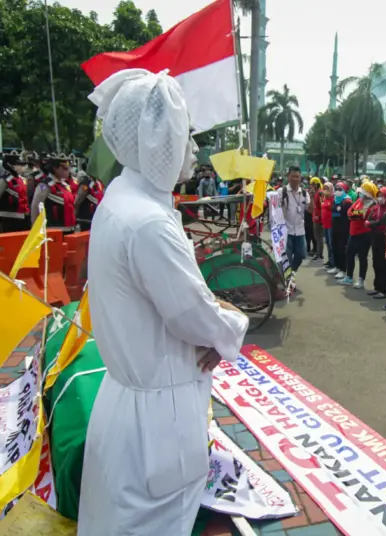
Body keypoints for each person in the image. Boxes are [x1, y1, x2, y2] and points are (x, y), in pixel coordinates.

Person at [80, 69, 249, 536]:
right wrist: (230, 325)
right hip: (157, 423)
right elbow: (195, 317)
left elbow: (185, 304)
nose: (193, 149)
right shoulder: (147, 222)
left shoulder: (123, 199)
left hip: (133, 407)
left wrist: (212, 324)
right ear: (158, 141)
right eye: (186, 135)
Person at [340, 180, 379, 288]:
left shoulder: (372, 205)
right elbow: (350, 212)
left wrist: (354, 214)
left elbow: (360, 215)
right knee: (349, 254)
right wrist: (353, 214)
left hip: (364, 234)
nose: (360, 194)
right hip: (353, 232)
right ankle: (349, 277)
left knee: (362, 257)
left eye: (363, 192)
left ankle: (361, 280)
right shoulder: (359, 201)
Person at [30, 157, 77, 233]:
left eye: (68, 168)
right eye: (65, 168)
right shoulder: (45, 185)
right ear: (55, 168)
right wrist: (35, 230)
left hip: (70, 229)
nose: (68, 171)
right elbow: (35, 207)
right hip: (53, 231)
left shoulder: (65, 185)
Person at [366, 186, 386, 299]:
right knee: (375, 263)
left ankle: (383, 290)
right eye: (378, 196)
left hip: (384, 238)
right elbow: (368, 219)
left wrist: (371, 223)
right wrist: (371, 223)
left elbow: (381, 222)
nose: (380, 198)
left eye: (382, 196)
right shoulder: (376, 208)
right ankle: (377, 287)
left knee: (383, 265)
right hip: (375, 236)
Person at [281, 166, 310, 272]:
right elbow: (276, 209)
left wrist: (314, 198)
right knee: (286, 257)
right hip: (286, 230)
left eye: (297, 176)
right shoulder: (282, 191)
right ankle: (287, 279)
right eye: (293, 176)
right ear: (288, 177)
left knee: (301, 254)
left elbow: (310, 209)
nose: (295, 179)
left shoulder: (304, 192)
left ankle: (291, 272)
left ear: (300, 178)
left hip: (300, 230)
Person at [0, 154, 31, 233]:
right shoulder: (5, 180)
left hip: (22, 218)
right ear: (10, 165)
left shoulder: (20, 179)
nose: (22, 167)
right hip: (7, 220)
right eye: (19, 164)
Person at [331, 182, 352, 279]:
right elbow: (334, 209)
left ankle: (343, 270)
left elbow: (345, 214)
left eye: (340, 189)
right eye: (336, 189)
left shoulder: (347, 200)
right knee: (334, 246)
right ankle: (337, 267)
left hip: (343, 227)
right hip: (335, 225)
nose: (338, 191)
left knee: (341, 249)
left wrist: (338, 209)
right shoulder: (335, 199)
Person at [321, 183, 336, 271]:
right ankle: (329, 260)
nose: (325, 190)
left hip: (331, 224)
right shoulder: (324, 198)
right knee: (327, 243)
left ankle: (333, 262)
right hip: (325, 224)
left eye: (327, 188)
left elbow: (333, 209)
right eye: (324, 188)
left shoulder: (333, 198)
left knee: (331, 244)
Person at [310, 177, 325, 261]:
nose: (311, 186)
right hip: (315, 217)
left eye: (312, 184)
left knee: (319, 237)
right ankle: (318, 252)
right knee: (316, 236)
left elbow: (322, 206)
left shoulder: (320, 193)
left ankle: (320, 254)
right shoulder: (315, 193)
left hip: (318, 218)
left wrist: (319, 216)